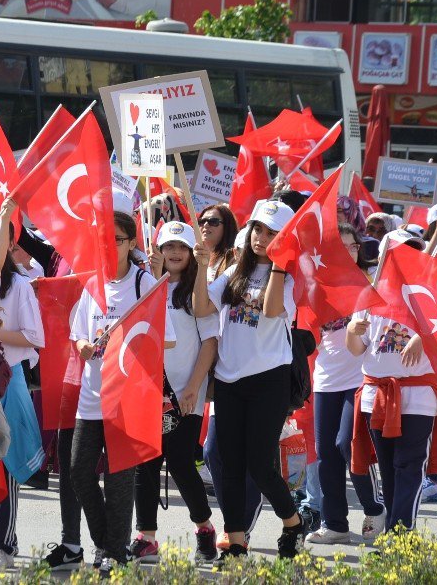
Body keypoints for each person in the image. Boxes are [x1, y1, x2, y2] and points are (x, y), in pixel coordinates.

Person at [193, 200, 305, 561]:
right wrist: (199, 267)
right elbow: (201, 307)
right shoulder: (232, 271)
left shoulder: (288, 275)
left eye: (272, 233)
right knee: (229, 463)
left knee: (260, 465)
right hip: (229, 378)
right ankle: (237, 542)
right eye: (258, 229)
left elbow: (272, 311)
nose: (262, 238)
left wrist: (280, 261)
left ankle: (292, 522)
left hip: (269, 379)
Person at [68, 211, 175, 576]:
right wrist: (84, 345)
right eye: (103, 238)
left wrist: (127, 341)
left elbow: (167, 337)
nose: (108, 244)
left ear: (131, 243)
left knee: (118, 482)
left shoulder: (146, 284)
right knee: (79, 471)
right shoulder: (93, 285)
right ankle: (108, 545)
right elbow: (79, 332)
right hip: (91, 398)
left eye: (115, 238)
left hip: (127, 401)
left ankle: (113, 553)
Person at [346, 231, 437, 533]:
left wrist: (423, 337)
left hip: (417, 395)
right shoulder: (370, 293)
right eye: (398, 251)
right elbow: (357, 349)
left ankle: (402, 534)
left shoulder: (431, 292)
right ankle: (393, 530)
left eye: (412, 251)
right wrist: (352, 329)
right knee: (388, 469)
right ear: (385, 256)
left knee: (409, 465)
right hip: (376, 394)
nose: (404, 257)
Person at [133, 221, 218, 563]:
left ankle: (204, 528)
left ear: (192, 252)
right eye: (168, 246)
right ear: (159, 249)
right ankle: (146, 536)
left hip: (186, 392)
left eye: (182, 247)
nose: (175, 253)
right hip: (149, 391)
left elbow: (210, 342)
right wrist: (150, 280)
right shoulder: (147, 285)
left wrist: (194, 388)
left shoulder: (201, 288)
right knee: (146, 463)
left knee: (182, 464)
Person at [0, 208, 45, 571]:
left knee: (5, 462)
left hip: (7, 380)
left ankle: (3, 541)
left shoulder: (18, 286)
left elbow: (35, 338)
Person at [306, 224, 385, 545]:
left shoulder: (371, 286)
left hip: (358, 379)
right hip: (324, 380)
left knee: (348, 445)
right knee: (326, 454)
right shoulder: (316, 286)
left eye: (353, 247)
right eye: (342, 247)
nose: (348, 252)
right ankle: (335, 523)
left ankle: (374, 507)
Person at [196, 205, 238, 281]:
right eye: (202, 221)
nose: (205, 225)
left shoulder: (233, 260)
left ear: (227, 227)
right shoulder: (190, 255)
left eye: (213, 222)